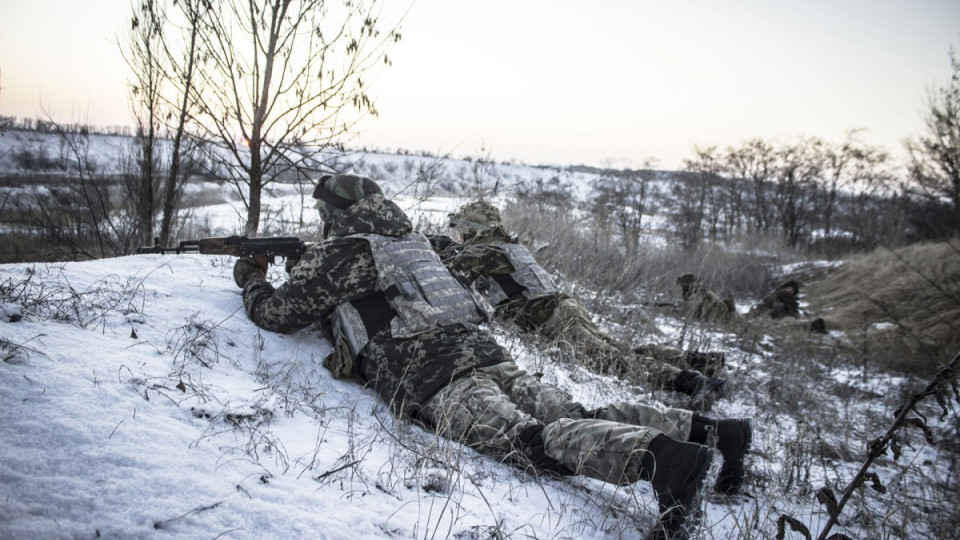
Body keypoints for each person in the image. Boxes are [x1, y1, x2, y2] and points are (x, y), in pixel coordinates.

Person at [232, 174, 752, 539]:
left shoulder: (343, 253)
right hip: (488, 353)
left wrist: (252, 277)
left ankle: (663, 461)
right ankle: (711, 433)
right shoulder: (414, 242)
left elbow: (278, 315)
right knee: (572, 413)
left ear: (331, 215)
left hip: (437, 373)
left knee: (526, 441)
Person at [431, 200, 729, 411]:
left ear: (474, 230)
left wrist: (430, 245)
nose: (460, 235)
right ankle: (696, 360)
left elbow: (450, 266)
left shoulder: (487, 251)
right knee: (618, 351)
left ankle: (692, 382)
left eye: (463, 230)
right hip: (563, 309)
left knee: (611, 360)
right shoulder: (508, 245)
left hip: (555, 318)